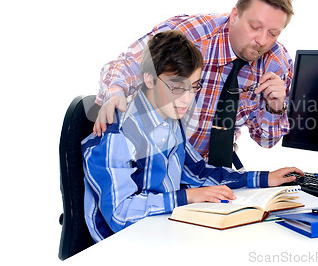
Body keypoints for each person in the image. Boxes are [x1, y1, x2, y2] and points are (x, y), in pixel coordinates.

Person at [82, 31, 303, 242]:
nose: (186, 100)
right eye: (177, 87)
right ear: (149, 79)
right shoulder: (118, 134)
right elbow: (121, 214)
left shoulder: (170, 120)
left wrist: (264, 178)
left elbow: (196, 171)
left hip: (162, 229)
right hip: (122, 245)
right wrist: (186, 197)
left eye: (193, 87)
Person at [94, 0, 294, 164]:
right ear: (235, 16)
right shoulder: (189, 34)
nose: (262, 40)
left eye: (273, 33)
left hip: (212, 173)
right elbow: (124, 65)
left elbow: (266, 140)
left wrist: (275, 107)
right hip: (160, 162)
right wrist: (114, 93)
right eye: (255, 27)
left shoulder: (277, 64)